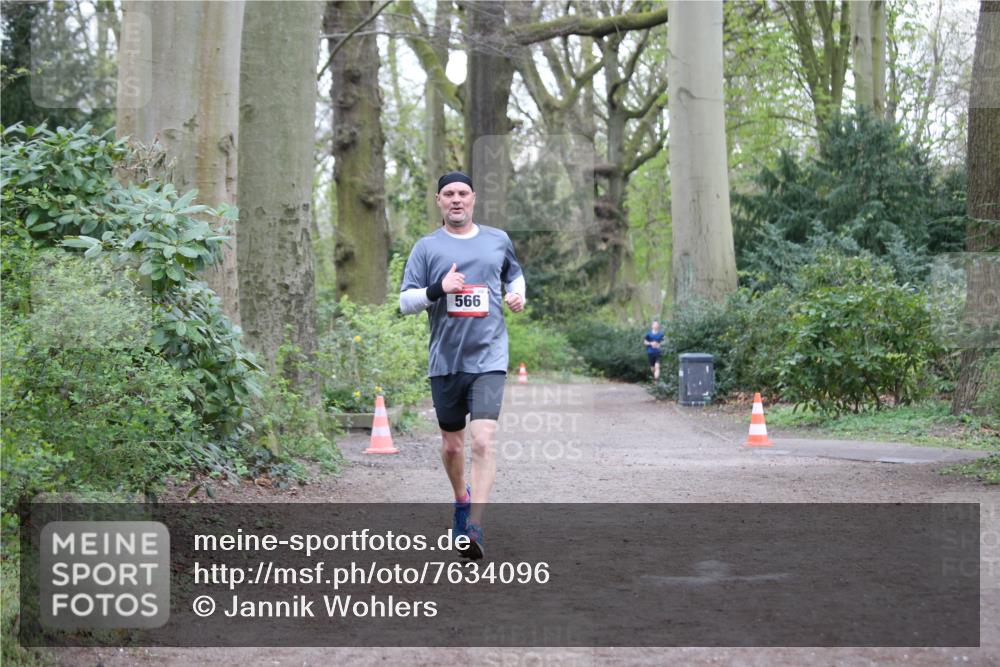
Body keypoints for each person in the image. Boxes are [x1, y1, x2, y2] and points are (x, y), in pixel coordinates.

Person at [399, 171, 525, 560]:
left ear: (474, 199)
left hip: (489, 357)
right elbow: (405, 302)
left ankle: (475, 524)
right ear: (438, 200)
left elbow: (514, 274)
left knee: (482, 441)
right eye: (449, 194)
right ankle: (460, 500)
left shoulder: (496, 240)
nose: (457, 199)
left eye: (463, 193)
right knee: (452, 445)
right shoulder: (426, 248)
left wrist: (516, 294)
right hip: (445, 362)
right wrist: (440, 289)